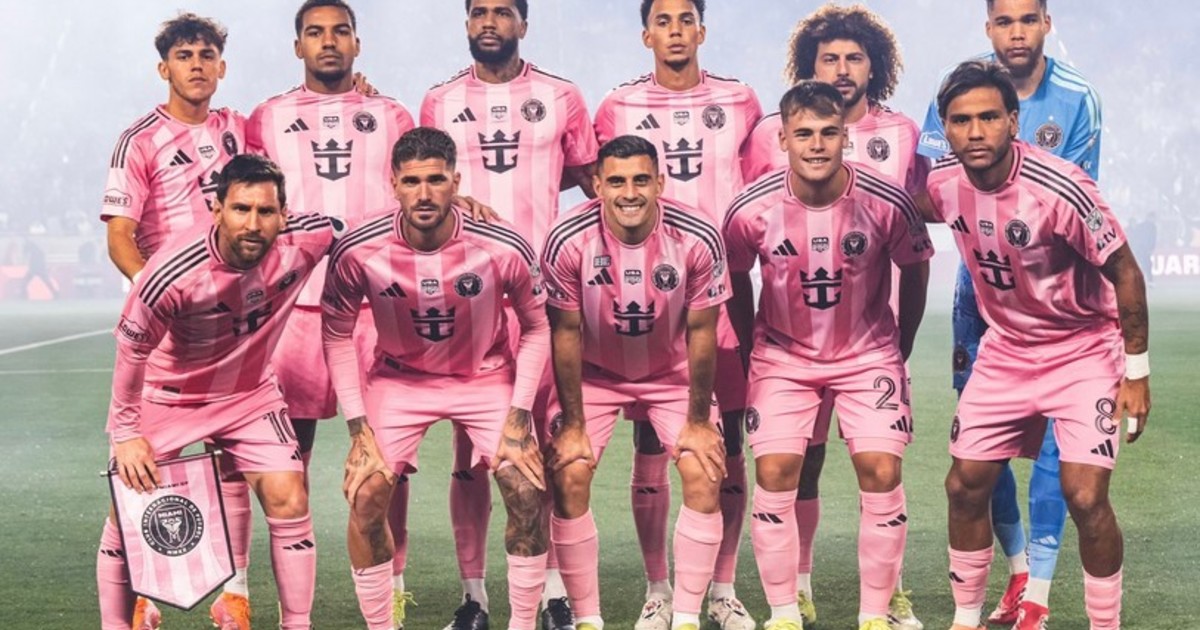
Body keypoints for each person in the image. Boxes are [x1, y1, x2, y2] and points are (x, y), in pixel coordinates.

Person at [926, 60, 1148, 630]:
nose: (975, 132)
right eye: (961, 121)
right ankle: (966, 619)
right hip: (1006, 350)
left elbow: (1125, 270)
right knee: (964, 485)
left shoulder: (1061, 187)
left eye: (988, 118)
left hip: (1082, 349)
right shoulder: (942, 185)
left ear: (1013, 121)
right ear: (945, 129)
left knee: (1086, 497)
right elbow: (897, 205)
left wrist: (1137, 372)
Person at [740, 7, 929, 627]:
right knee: (788, 467)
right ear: (784, 138)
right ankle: (790, 600)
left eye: (854, 57)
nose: (843, 69)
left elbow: (916, 252)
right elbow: (741, 258)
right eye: (830, 58)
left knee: (880, 466)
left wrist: (900, 342)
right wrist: (747, 347)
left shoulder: (898, 147)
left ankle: (882, 604)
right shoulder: (758, 180)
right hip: (786, 347)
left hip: (867, 342)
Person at [98, 154, 342, 630]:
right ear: (217, 210)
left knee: (290, 496)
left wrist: (455, 206)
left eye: (265, 211)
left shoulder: (308, 238)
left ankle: (297, 624)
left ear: (284, 214)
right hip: (168, 395)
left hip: (249, 395)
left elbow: (362, 230)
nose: (253, 223)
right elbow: (131, 350)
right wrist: (126, 434)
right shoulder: (170, 273)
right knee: (126, 505)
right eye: (241, 209)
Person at [321, 126, 550, 630]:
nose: (423, 194)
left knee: (526, 487)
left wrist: (518, 417)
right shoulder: (359, 248)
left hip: (484, 376)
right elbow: (336, 333)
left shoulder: (501, 243)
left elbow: (537, 327)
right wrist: (358, 430)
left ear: (456, 183)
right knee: (365, 494)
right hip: (400, 380)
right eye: (411, 182)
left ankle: (523, 623)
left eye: (436, 180)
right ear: (393, 185)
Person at [416, 1, 599, 626]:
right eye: (479, 12)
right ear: (467, 24)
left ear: (524, 24)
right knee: (469, 454)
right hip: (465, 300)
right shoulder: (439, 101)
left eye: (502, 12)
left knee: (543, 443)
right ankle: (475, 597)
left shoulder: (562, 96)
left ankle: (551, 591)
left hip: (541, 296)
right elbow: (424, 182)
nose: (489, 22)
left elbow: (587, 178)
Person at [243, 2, 416, 624]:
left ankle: (393, 588)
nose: (328, 42)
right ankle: (288, 605)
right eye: (314, 33)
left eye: (340, 31)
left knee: (388, 462)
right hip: (294, 308)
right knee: (289, 456)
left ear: (357, 43)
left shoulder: (392, 114)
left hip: (375, 308)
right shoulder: (267, 117)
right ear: (298, 47)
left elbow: (415, 193)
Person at [593, 2, 761, 626]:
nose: (674, 31)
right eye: (662, 21)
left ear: (701, 30)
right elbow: (606, 186)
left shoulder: (741, 101)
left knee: (726, 441)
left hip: (724, 291)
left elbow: (761, 183)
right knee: (650, 438)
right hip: (646, 295)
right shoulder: (617, 106)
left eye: (685, 19)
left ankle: (723, 588)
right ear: (647, 35)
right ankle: (658, 588)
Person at [542, 135, 729, 630]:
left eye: (641, 180)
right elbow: (565, 332)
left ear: (660, 184)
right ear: (597, 185)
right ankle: (588, 620)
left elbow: (702, 331)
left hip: (671, 375)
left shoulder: (697, 236)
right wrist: (574, 425)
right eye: (617, 181)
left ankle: (685, 617)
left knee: (704, 469)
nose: (629, 193)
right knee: (570, 472)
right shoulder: (567, 238)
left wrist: (698, 422)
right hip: (595, 376)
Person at [97, 13, 245, 628]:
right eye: (184, 56)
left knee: (234, 455)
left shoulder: (239, 129)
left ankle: (235, 596)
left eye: (206, 55)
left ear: (221, 67)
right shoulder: (138, 140)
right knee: (148, 459)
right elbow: (119, 236)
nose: (196, 65)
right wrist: (154, 294)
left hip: (230, 324)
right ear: (164, 68)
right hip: (166, 327)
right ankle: (142, 596)